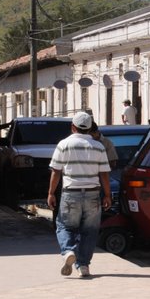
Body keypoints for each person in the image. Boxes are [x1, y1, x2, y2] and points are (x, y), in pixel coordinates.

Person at [47, 111, 112, 278]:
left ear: (72, 127)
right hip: (93, 194)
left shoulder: (63, 144)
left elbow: (56, 171)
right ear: (90, 128)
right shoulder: (98, 147)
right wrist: (107, 195)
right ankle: (83, 266)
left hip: (71, 193)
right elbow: (104, 174)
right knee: (89, 231)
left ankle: (68, 251)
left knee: (64, 226)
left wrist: (51, 193)